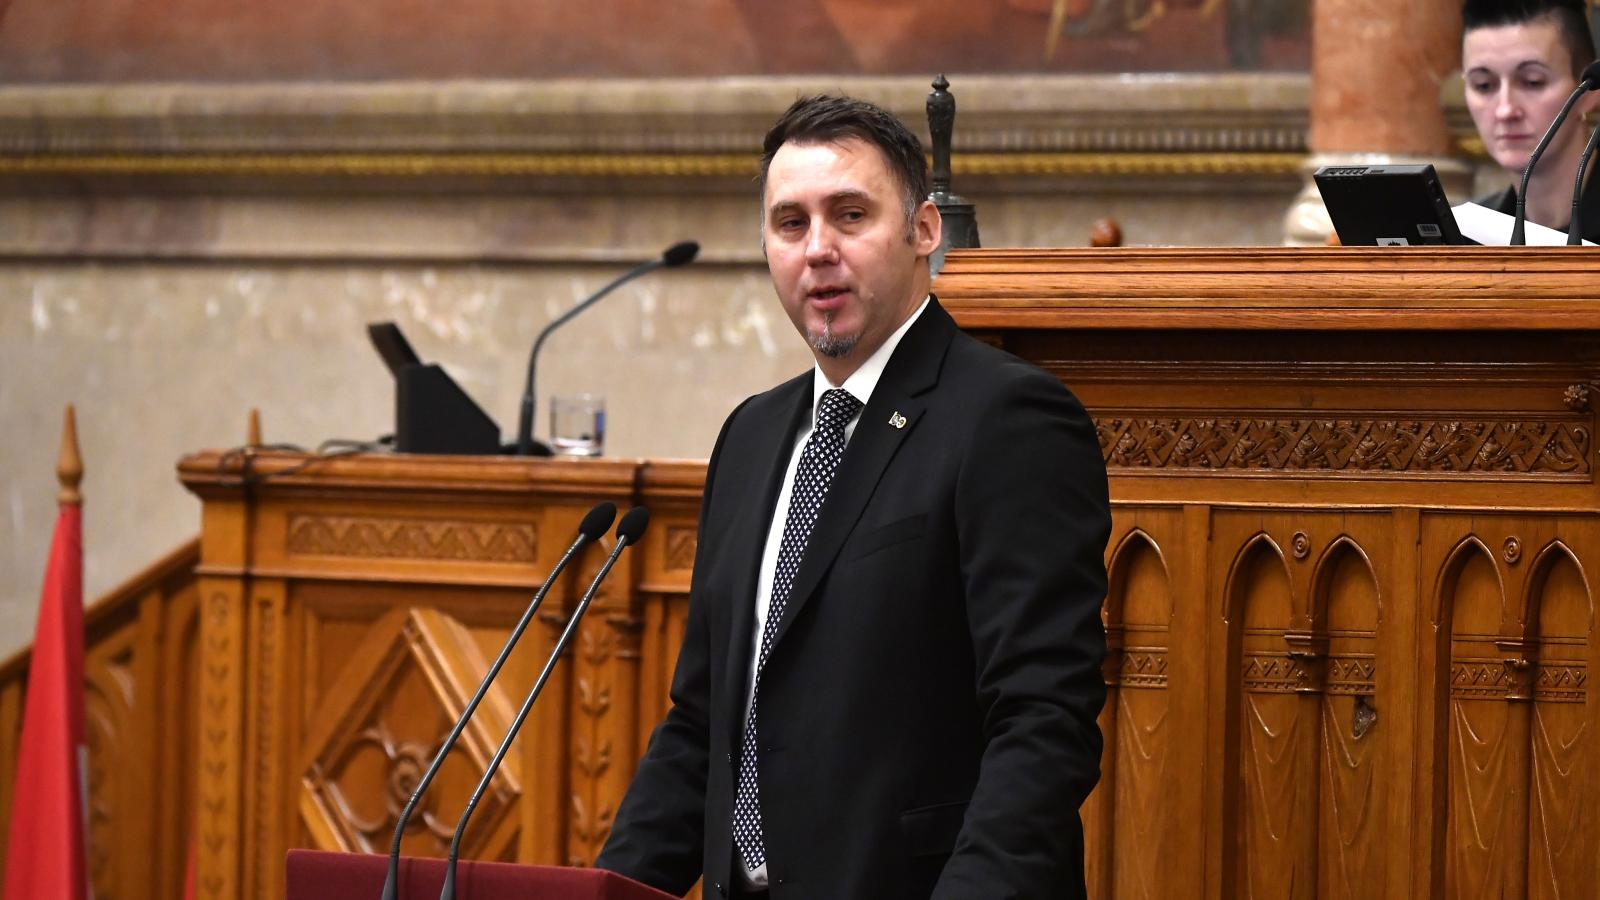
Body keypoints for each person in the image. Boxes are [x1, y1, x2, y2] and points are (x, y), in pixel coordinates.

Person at [595, 95, 1111, 900]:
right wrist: (603, 890)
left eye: (850, 215)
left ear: (924, 230)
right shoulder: (751, 436)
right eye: (790, 223)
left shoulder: (1007, 418)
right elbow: (703, 725)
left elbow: (1043, 718)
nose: (818, 250)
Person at [1462, 0, 1600, 242]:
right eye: (1483, 85)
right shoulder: (1467, 235)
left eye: (1532, 81)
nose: (1505, 110)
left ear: (1590, 91)